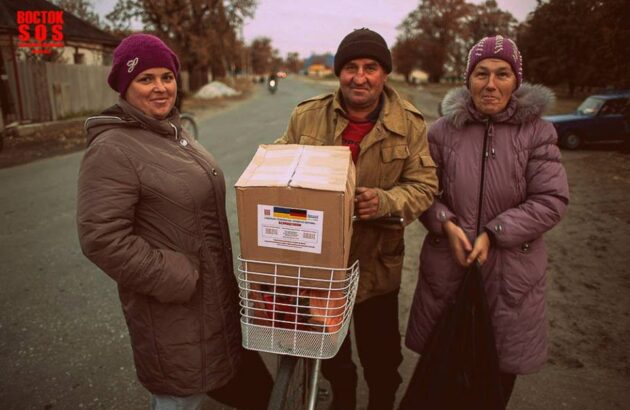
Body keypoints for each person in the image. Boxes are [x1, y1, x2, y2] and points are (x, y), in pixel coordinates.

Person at [76, 34, 272, 410]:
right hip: (173, 317)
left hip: (214, 306)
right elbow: (100, 237)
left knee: (256, 393)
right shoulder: (112, 148)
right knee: (178, 400)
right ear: (124, 85)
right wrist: (178, 276)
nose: (160, 88)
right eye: (145, 79)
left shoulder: (171, 133)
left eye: (166, 76)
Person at [276, 28, 438, 410]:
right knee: (331, 350)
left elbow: (424, 186)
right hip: (320, 265)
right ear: (338, 72)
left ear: (384, 73)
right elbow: (279, 168)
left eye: (370, 67)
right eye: (350, 67)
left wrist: (383, 202)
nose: (359, 77)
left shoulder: (410, 123)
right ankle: (343, 398)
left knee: (383, 360)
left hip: (377, 266)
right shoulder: (307, 115)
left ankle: (381, 400)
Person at [404, 35, 570, 407]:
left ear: (517, 81)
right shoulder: (442, 132)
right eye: (481, 74)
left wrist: (494, 234)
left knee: (492, 386)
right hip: (449, 269)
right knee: (443, 375)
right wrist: (446, 224)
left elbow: (552, 199)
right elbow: (422, 191)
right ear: (468, 79)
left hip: (511, 278)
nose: (491, 84)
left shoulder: (537, 133)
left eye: (502, 74)